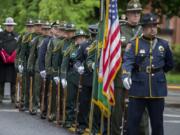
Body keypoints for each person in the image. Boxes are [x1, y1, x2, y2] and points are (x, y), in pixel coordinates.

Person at [122, 13, 174, 135]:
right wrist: (126, 75)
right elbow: (127, 61)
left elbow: (169, 64)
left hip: (157, 90)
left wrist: (158, 72)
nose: (153, 28)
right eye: (150, 26)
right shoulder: (135, 44)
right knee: (132, 125)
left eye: (155, 25)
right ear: (143, 28)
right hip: (138, 89)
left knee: (157, 125)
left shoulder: (164, 45)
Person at [111, 0, 149, 134]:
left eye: (138, 13)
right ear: (127, 14)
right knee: (118, 108)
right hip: (122, 71)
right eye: (133, 13)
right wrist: (126, 49)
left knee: (141, 107)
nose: (136, 15)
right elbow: (113, 50)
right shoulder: (119, 29)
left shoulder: (145, 30)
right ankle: (115, 132)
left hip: (139, 74)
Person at [0, 17, 18, 103]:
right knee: (1, 79)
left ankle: (13, 96)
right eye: (8, 25)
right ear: (5, 26)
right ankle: (0, 96)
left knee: (13, 79)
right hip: (2, 61)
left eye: (11, 25)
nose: (10, 27)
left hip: (13, 61)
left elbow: (19, 47)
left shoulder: (16, 36)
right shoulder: (1, 35)